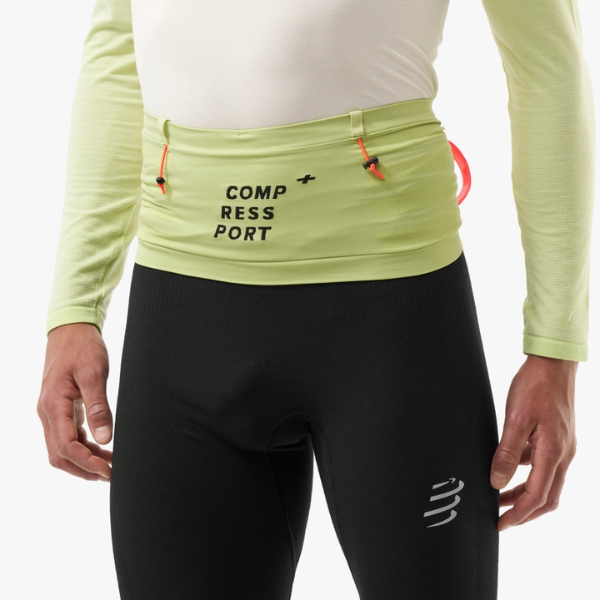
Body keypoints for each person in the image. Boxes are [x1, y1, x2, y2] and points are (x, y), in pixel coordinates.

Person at [36, 1, 594, 598]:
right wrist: (75, 306)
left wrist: (554, 349)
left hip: (392, 326)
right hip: (181, 326)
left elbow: (548, 71)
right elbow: (119, 56)